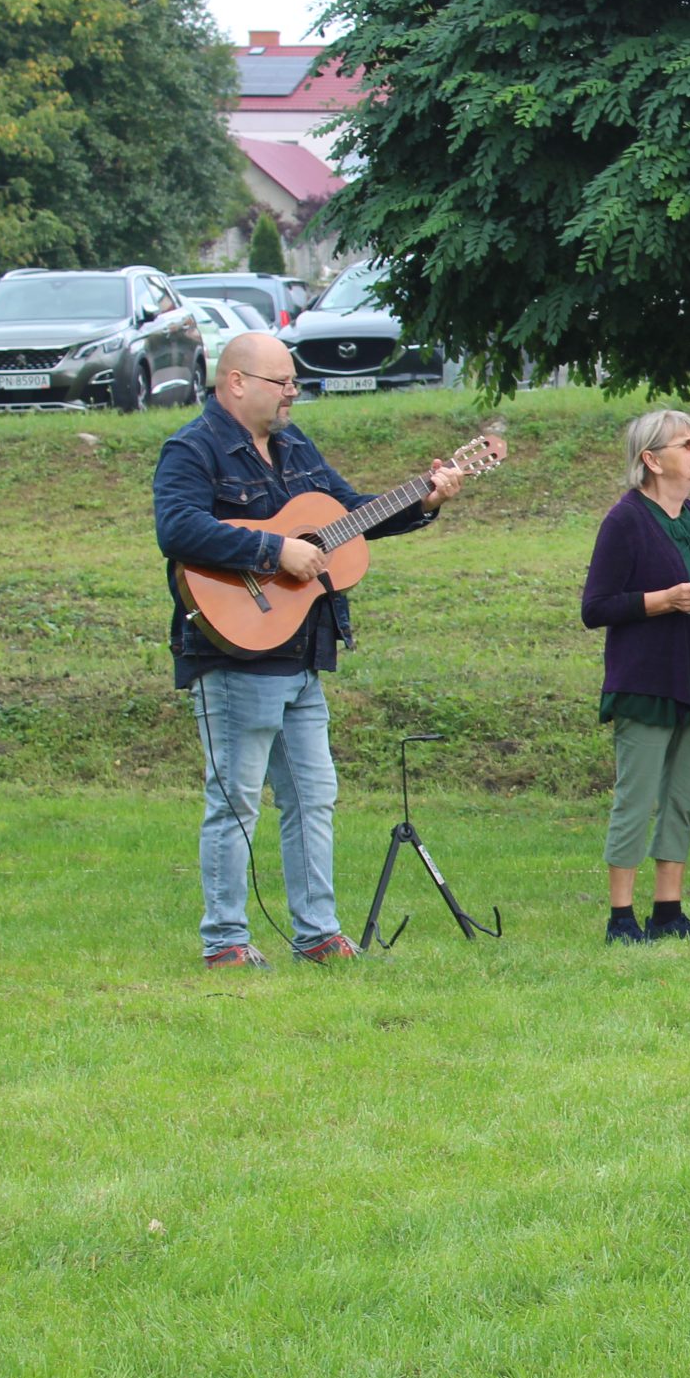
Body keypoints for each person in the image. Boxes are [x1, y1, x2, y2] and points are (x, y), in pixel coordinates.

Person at [153, 331, 467, 967]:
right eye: (282, 382)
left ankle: (318, 935)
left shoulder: (294, 445)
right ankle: (225, 943)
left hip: (301, 649)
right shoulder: (193, 447)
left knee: (313, 798)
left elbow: (348, 514)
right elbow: (178, 528)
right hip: (233, 651)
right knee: (236, 803)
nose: (293, 392)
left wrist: (423, 499)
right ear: (236, 382)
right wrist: (274, 551)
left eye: (294, 382)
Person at [581, 409, 690, 945]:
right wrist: (665, 600)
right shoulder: (625, 520)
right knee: (636, 799)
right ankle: (620, 917)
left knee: (683, 799)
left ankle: (668, 910)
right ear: (652, 460)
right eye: (687, 444)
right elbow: (596, 607)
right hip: (647, 681)